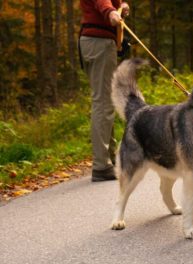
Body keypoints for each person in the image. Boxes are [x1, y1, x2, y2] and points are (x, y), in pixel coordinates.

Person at [79, 0, 129, 182]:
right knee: (103, 102)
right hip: (99, 43)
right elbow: (103, 3)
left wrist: (122, 5)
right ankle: (101, 166)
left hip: (97, 42)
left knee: (105, 100)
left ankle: (109, 159)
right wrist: (110, 12)